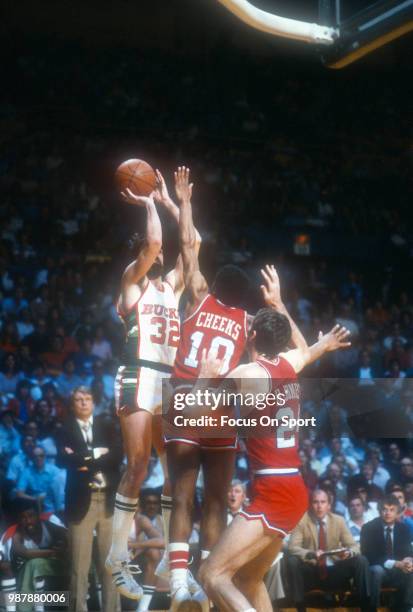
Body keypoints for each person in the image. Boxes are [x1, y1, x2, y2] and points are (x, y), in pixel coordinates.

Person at [198, 266, 353, 612]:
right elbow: (305, 347)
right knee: (248, 580)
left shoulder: (248, 374)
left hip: (273, 491)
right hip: (294, 487)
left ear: (251, 337)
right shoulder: (287, 364)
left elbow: (191, 414)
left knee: (212, 575)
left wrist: (204, 379)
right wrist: (279, 302)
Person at [105, 168, 200, 600]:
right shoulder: (130, 283)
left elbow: (193, 243)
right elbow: (160, 242)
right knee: (137, 466)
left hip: (167, 382)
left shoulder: (172, 287)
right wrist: (148, 204)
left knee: (175, 472)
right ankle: (116, 556)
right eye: (150, 252)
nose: (158, 256)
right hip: (137, 375)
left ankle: (166, 555)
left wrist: (172, 203)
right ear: (141, 253)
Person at [164, 168, 250, 609]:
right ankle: (207, 580)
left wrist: (184, 202)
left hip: (182, 396)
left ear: (216, 286)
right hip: (217, 407)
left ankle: (180, 579)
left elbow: (188, 246)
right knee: (216, 499)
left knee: (183, 491)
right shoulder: (247, 323)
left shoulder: (198, 295)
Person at [57, 386, 123, 611]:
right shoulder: (64, 428)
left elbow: (117, 456)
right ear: (72, 404)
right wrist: (97, 454)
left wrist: (83, 461)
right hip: (79, 503)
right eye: (78, 399)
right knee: (79, 567)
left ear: (93, 402)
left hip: (108, 501)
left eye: (87, 399)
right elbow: (63, 461)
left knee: (110, 565)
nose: (84, 402)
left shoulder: (107, 425)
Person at [285, 489, 370, 612]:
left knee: (361, 560)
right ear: (310, 505)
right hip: (312, 571)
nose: (319, 506)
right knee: (293, 561)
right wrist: (311, 554)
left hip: (334, 570)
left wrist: (348, 553)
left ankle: (365, 607)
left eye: (323, 502)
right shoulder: (302, 520)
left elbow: (354, 546)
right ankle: (300, 607)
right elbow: (292, 547)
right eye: (315, 502)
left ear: (329, 505)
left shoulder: (338, 520)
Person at [10, 500, 68, 612]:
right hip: (29, 574)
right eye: (23, 518)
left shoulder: (48, 526)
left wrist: (64, 546)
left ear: (38, 515)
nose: (28, 521)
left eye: (31, 516)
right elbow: (24, 553)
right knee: (33, 564)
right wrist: (53, 552)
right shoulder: (18, 534)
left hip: (53, 571)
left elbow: (69, 534)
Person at [361, 494, 413, 612]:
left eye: (391, 510)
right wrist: (395, 563)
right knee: (377, 571)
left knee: (411, 571)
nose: (387, 513)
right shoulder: (368, 528)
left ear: (397, 512)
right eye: (384, 509)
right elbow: (368, 555)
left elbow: (408, 550)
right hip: (377, 569)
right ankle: (370, 609)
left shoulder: (403, 528)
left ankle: (404, 608)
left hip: (398, 571)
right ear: (379, 511)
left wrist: (408, 560)